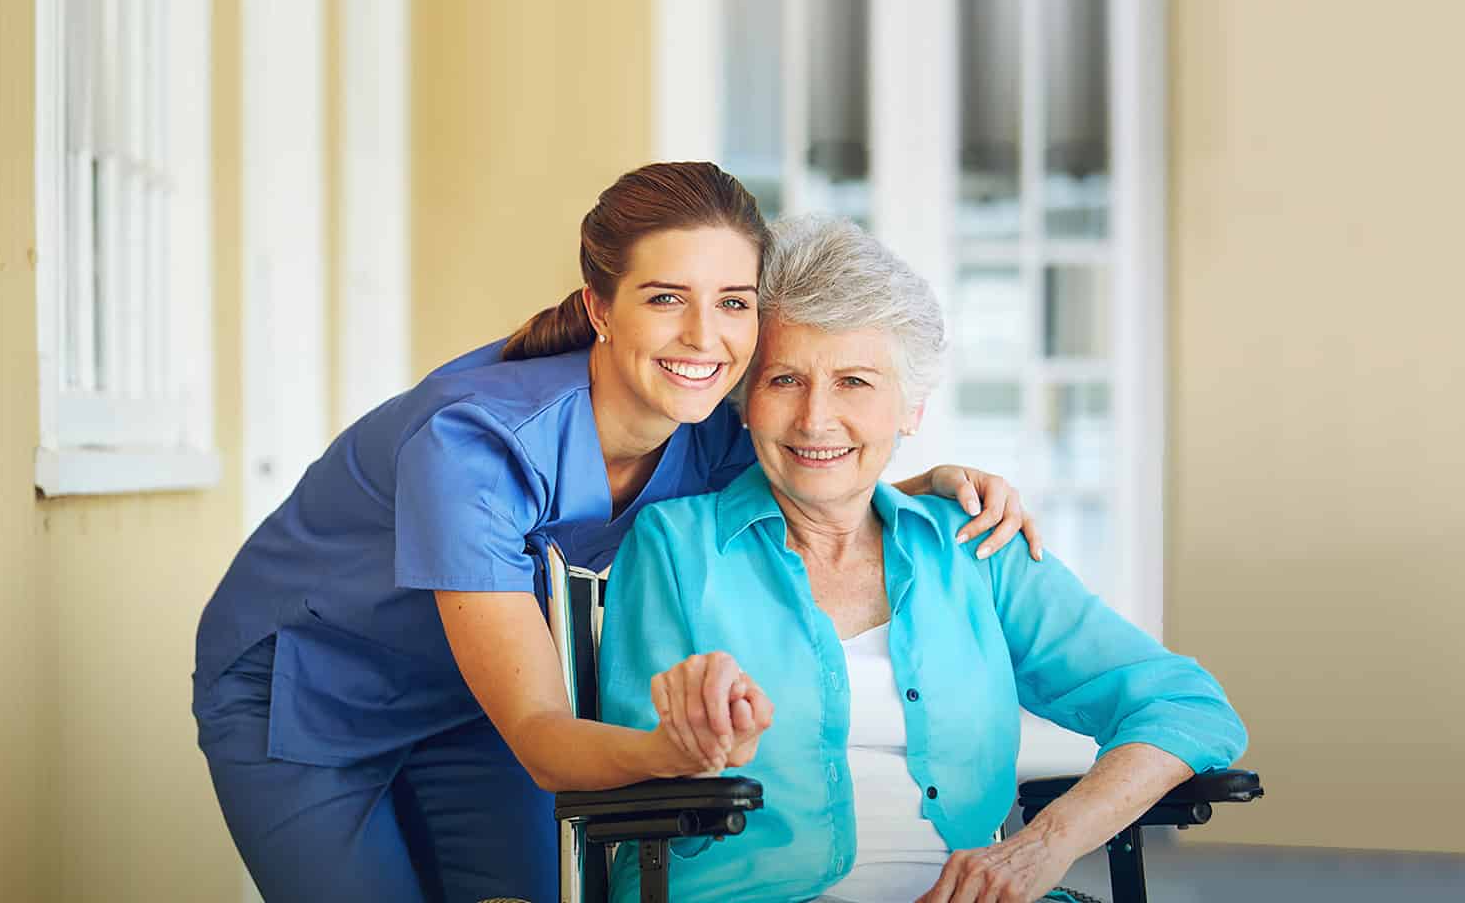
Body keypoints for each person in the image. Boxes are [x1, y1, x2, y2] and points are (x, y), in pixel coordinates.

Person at [191, 164, 1043, 903]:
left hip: (475, 701)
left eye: (734, 303)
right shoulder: (475, 446)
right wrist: (667, 750)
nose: (704, 338)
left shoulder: (710, 424)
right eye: (666, 298)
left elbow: (820, 473)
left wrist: (922, 487)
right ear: (600, 306)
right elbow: (541, 734)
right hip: (311, 695)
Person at [599, 214, 1248, 903]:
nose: (816, 419)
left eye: (855, 382)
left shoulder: (974, 547)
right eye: (785, 380)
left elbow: (1186, 705)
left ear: (911, 408)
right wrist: (698, 746)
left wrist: (1043, 846)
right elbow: (637, 777)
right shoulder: (676, 545)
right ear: (745, 402)